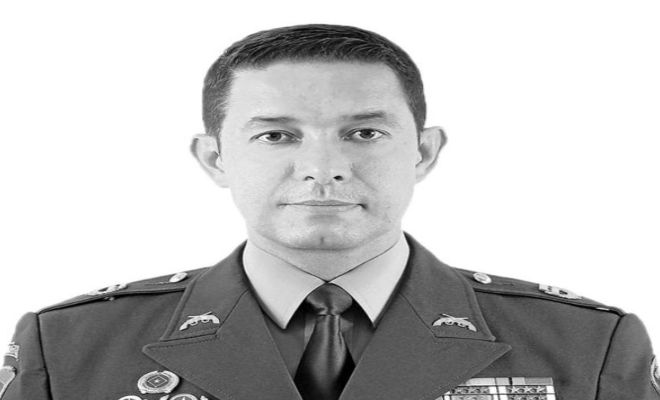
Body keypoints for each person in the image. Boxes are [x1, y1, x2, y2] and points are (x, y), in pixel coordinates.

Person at [1, 23, 658, 400]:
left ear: (424, 151)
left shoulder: (586, 348)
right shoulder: (68, 350)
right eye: (276, 135)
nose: (323, 167)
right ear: (214, 158)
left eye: (363, 132)